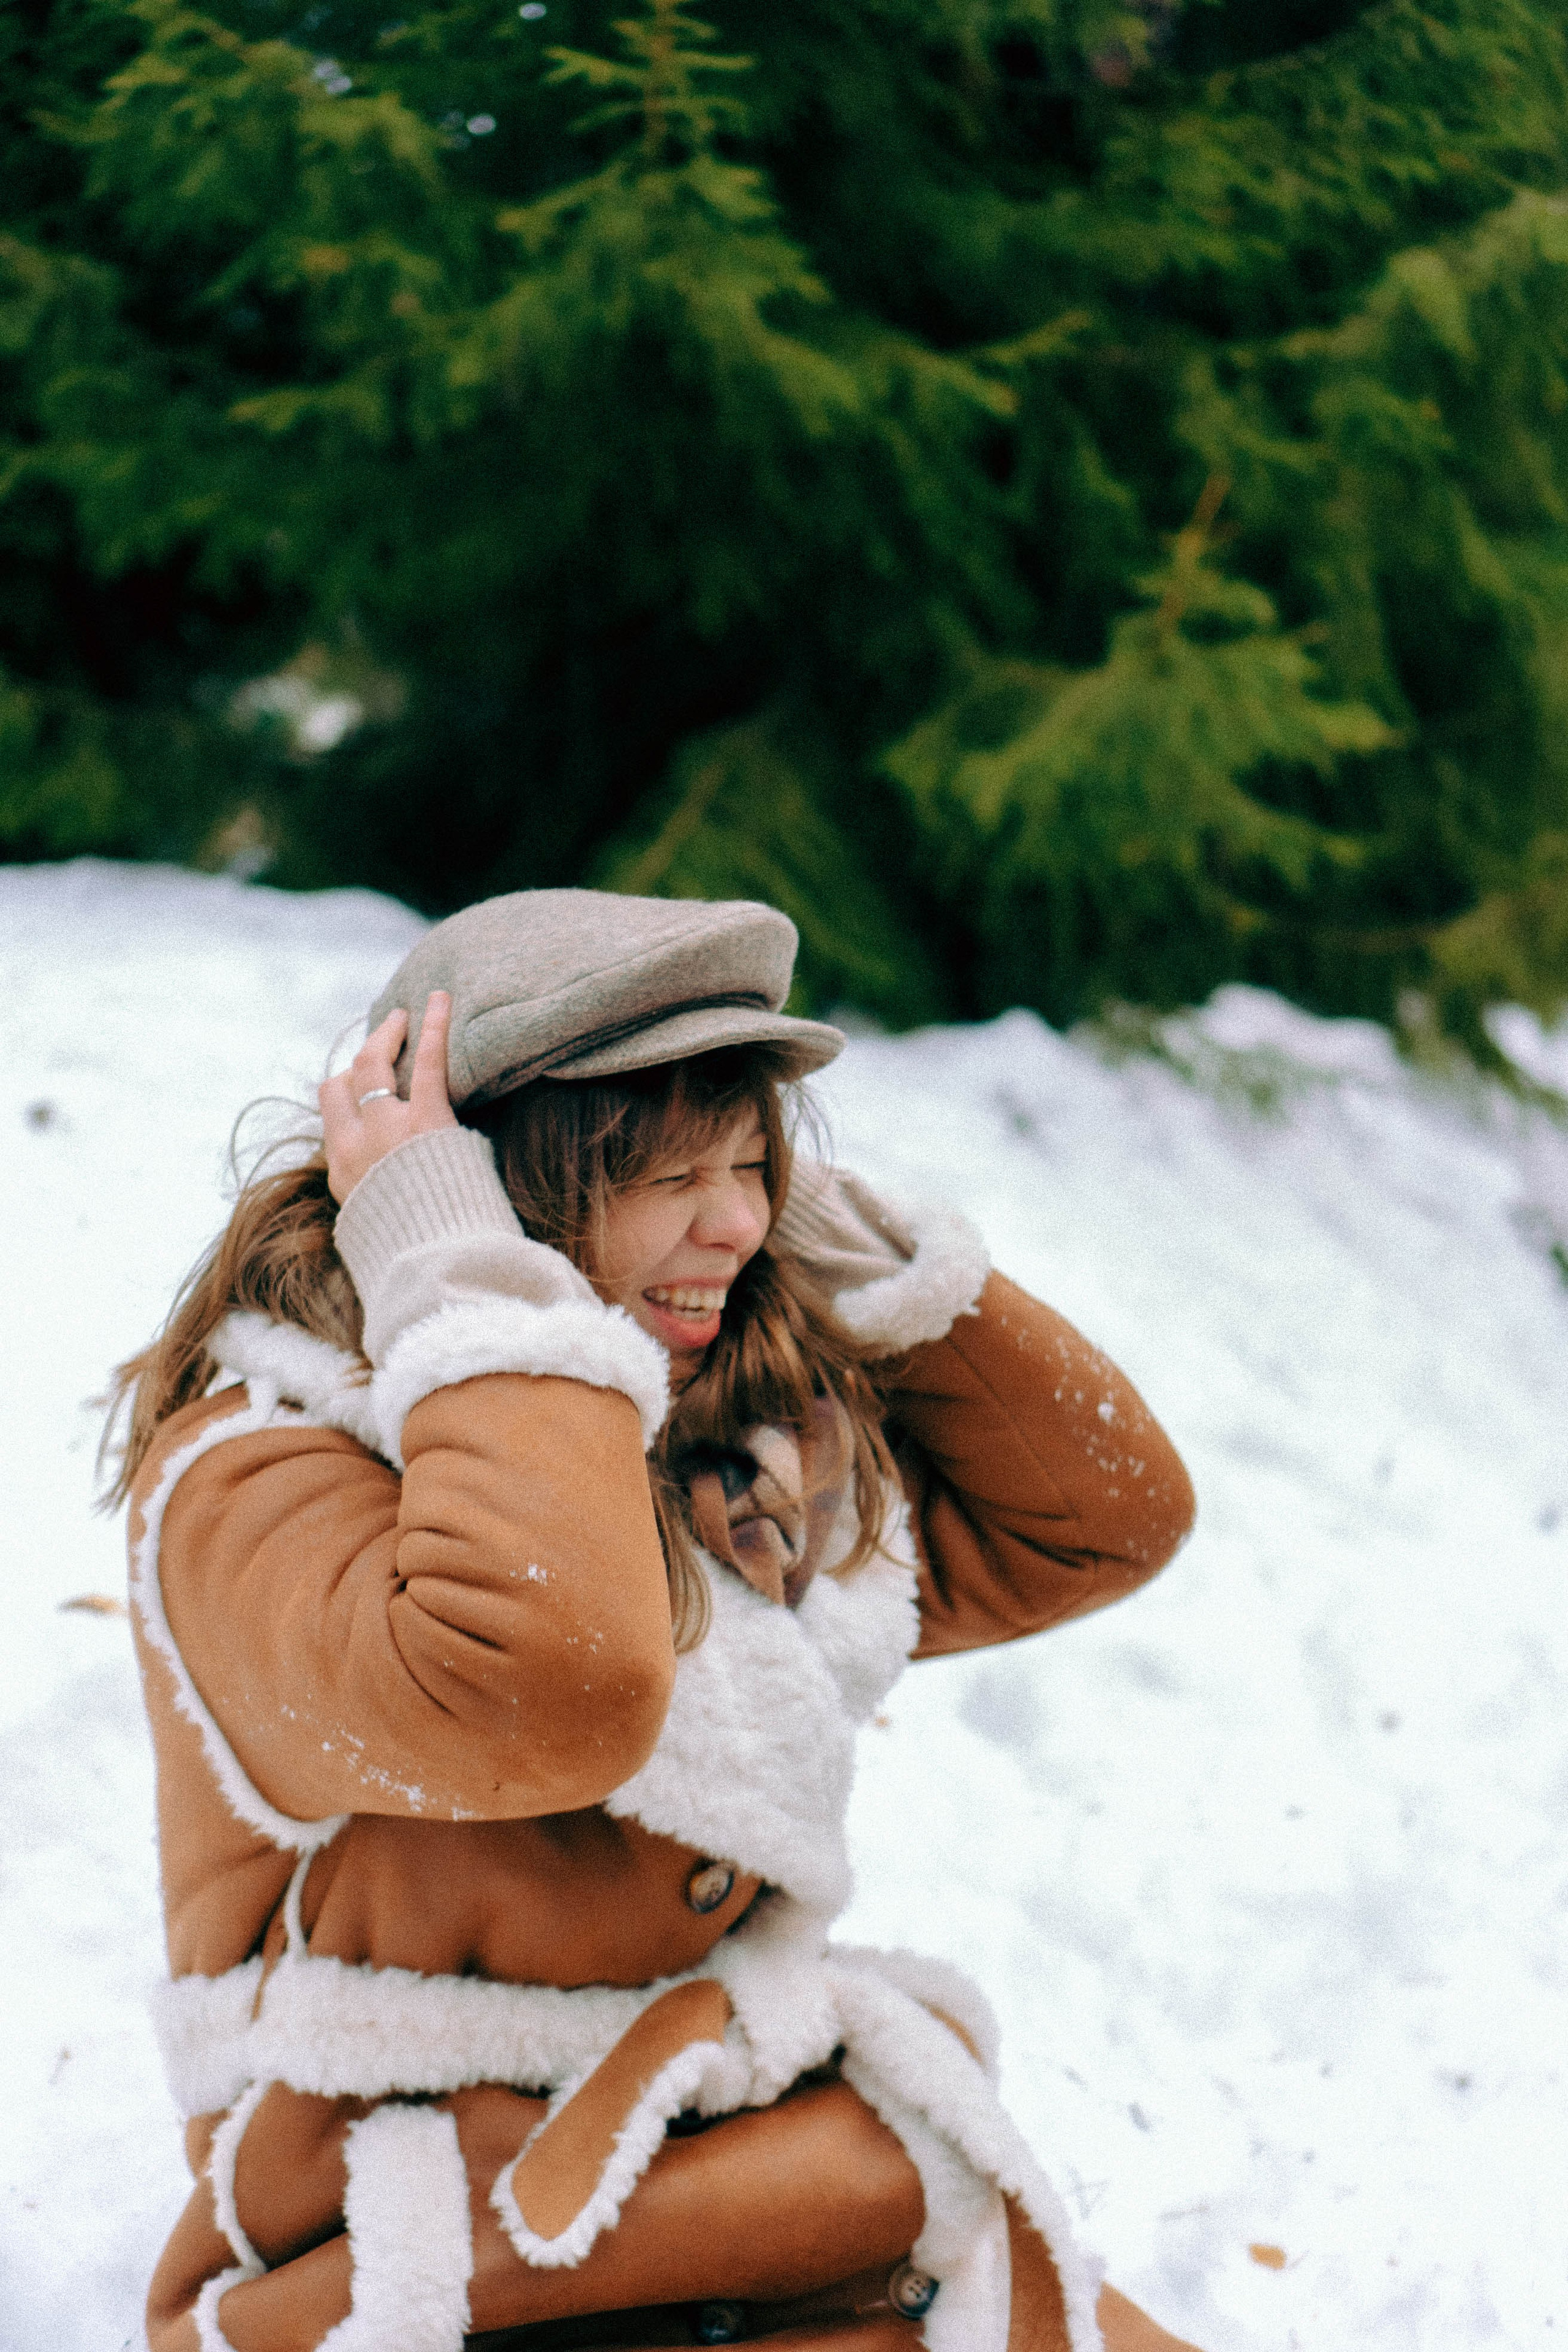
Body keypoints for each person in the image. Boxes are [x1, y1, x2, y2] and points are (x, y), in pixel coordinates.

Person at [110, 889, 1200, 2352]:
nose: (738, 1218)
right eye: (671, 1171)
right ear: (487, 1188)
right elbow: (546, 1694)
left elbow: (1098, 1516)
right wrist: (464, 1282)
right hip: (432, 2258)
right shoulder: (256, 1477)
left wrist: (826, 1247)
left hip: (771, 2191)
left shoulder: (722, 1445)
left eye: (752, 1159)